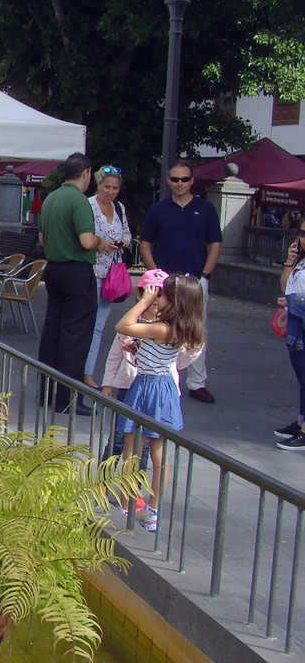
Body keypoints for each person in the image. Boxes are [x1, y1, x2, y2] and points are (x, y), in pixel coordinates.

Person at [115, 273, 206, 532]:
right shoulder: (178, 327)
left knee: (132, 449)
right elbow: (153, 349)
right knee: (159, 454)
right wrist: (137, 347)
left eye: (164, 294)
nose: (159, 297)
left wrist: (144, 301)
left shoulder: (161, 328)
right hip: (164, 387)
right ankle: (152, 510)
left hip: (148, 387)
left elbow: (122, 325)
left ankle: (128, 499)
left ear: (175, 301)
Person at [138, 160, 222, 403]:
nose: (180, 183)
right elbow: (145, 243)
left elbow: (215, 243)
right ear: (168, 181)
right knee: (160, 326)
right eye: (175, 179)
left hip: (194, 280)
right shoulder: (158, 210)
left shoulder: (205, 209)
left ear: (192, 181)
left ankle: (197, 383)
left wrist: (205, 274)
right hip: (166, 282)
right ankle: (161, 374)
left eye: (184, 179)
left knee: (196, 329)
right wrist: (156, 275)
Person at [37, 153, 104, 415]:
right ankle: (68, 399)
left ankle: (46, 392)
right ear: (86, 172)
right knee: (75, 336)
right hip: (77, 271)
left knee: (52, 332)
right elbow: (87, 241)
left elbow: (42, 239)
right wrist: (100, 241)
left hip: (53, 270)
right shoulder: (79, 201)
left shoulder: (51, 198)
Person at [84, 165, 132, 388]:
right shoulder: (88, 205)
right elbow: (83, 235)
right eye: (107, 187)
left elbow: (128, 236)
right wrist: (99, 243)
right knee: (85, 322)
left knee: (99, 326)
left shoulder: (119, 208)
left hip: (111, 275)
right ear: (98, 185)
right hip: (91, 271)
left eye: (115, 187)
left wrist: (121, 242)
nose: (111, 191)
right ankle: (81, 369)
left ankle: (88, 372)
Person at [275, 219, 305, 450]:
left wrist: (294, 302)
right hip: (297, 328)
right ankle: (301, 422)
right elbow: (285, 285)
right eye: (302, 232)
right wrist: (289, 261)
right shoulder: (300, 261)